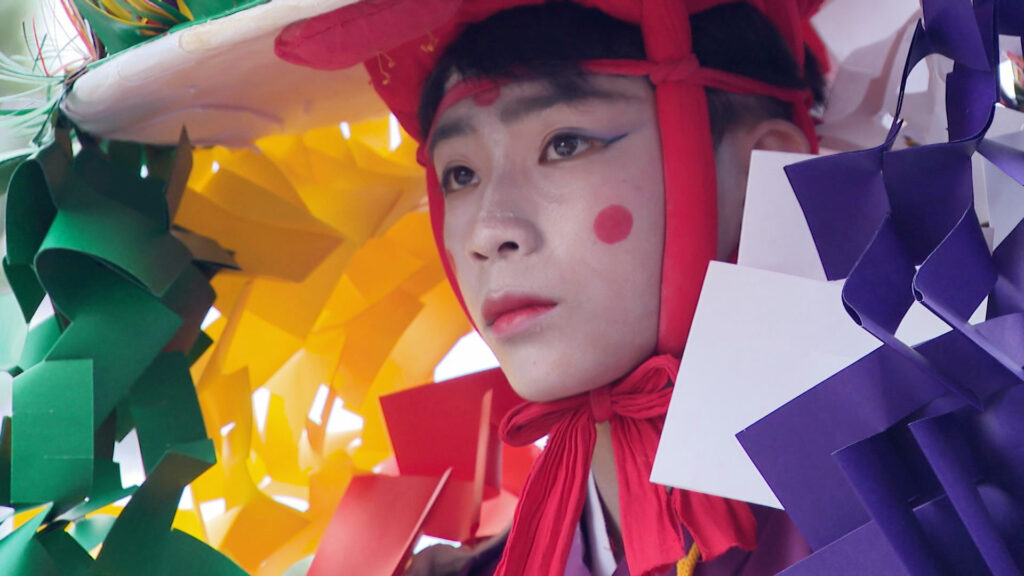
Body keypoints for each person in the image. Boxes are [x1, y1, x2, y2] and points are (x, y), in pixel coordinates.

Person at [277, 1, 827, 574]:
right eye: (460, 175)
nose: (488, 232)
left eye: (564, 144)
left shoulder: (892, 497)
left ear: (765, 163)